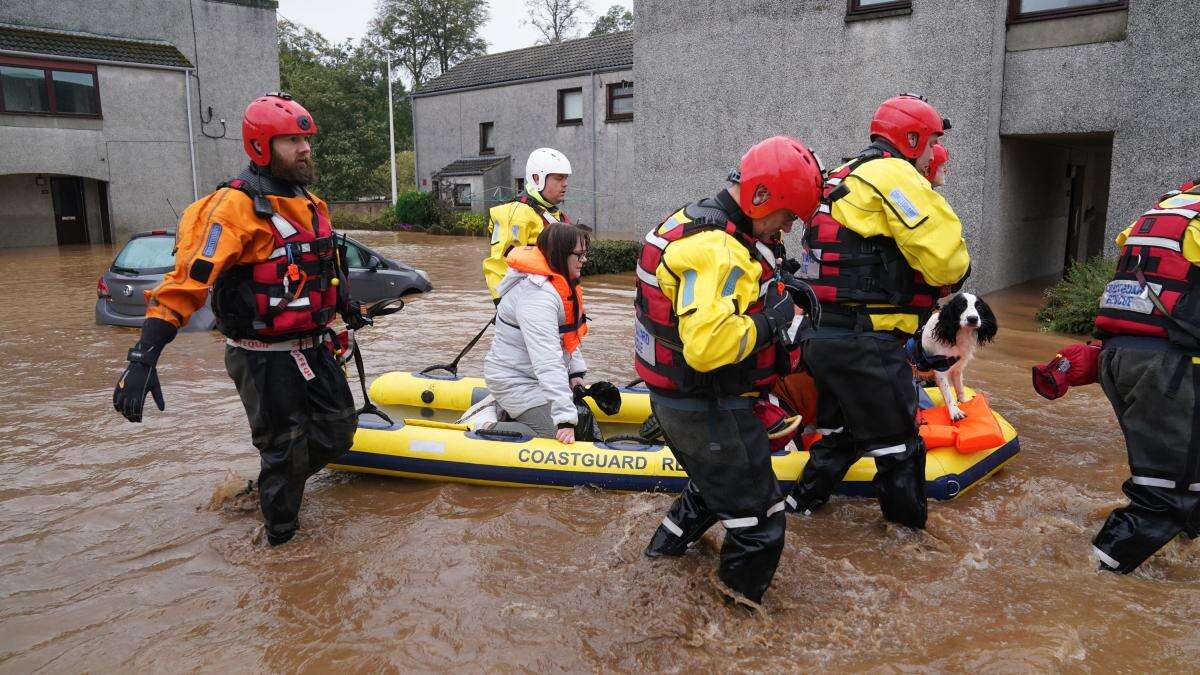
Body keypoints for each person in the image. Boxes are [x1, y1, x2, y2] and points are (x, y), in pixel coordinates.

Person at [112, 92, 371, 547]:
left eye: (306, 139)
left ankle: (275, 485)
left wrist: (347, 310)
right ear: (260, 147)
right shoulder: (231, 208)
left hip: (313, 347)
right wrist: (142, 359)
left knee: (338, 431)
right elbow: (184, 285)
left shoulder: (311, 203)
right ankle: (280, 546)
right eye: (292, 140)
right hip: (262, 357)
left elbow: (326, 267)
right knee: (284, 448)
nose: (305, 149)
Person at [637, 136, 824, 605]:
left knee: (711, 490)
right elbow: (706, 347)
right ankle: (731, 631)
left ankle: (656, 563)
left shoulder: (702, 218)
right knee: (761, 527)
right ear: (762, 198)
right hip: (703, 401)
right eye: (786, 217)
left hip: (688, 398)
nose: (785, 229)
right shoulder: (718, 249)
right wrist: (773, 321)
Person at [784, 94, 970, 529]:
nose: (930, 156)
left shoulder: (839, 175)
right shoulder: (893, 175)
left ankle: (801, 510)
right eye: (929, 145)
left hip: (819, 339)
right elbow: (949, 262)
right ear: (911, 138)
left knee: (842, 437)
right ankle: (909, 552)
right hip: (865, 343)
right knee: (901, 451)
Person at [1090, 177, 1200, 573]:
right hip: (1168, 369)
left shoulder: (1167, 209)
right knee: (1168, 498)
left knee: (1188, 482)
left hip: (1121, 359)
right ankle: (1092, 578)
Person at [483, 222, 591, 443]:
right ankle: (486, 426)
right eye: (579, 255)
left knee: (584, 423)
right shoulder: (537, 297)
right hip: (515, 381)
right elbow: (547, 359)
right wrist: (564, 419)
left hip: (533, 378)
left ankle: (511, 412)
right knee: (555, 438)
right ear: (561, 254)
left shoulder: (561, 286)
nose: (584, 260)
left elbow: (568, 335)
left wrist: (575, 374)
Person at [483, 148, 573, 302]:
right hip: (528, 303)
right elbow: (499, 264)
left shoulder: (556, 215)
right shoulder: (518, 214)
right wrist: (502, 303)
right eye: (559, 178)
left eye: (566, 178)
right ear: (537, 179)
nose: (565, 184)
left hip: (553, 299)